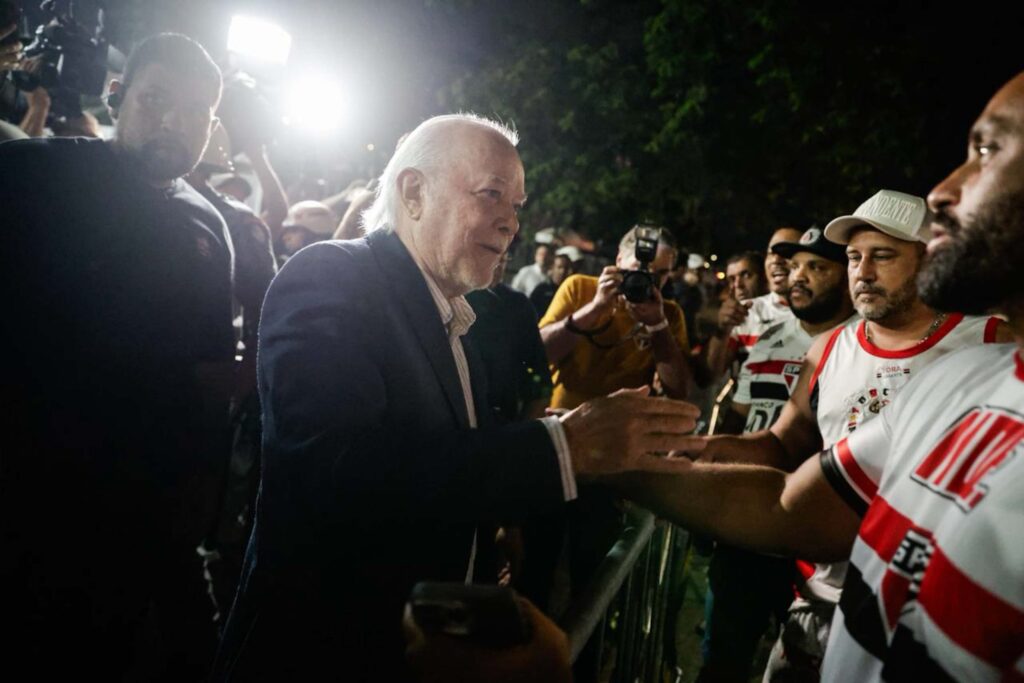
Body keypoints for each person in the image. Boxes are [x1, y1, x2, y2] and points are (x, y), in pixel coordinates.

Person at [213, 113, 703, 681]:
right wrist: (562, 447)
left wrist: (487, 534)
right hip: (325, 653)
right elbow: (339, 475)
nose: (511, 223)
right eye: (492, 194)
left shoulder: (456, 321)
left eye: (516, 205)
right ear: (414, 192)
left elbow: (444, 457)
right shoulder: (331, 276)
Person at [615, 70, 1024, 681]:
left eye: (882, 256)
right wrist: (669, 453)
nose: (862, 272)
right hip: (817, 606)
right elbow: (785, 465)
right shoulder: (878, 360)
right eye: (854, 256)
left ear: (927, 254)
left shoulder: (986, 344)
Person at [0, 33, 232, 679]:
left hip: (141, 521)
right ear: (116, 95)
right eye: (156, 99)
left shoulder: (210, 225)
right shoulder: (30, 175)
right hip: (25, 506)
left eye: (195, 110)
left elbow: (207, 370)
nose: (173, 121)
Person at [699, 228, 855, 683]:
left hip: (811, 544)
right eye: (796, 265)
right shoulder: (768, 337)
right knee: (722, 662)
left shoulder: (861, 348)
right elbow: (740, 419)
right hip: (745, 530)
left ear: (847, 278)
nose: (798, 276)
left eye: (817, 267)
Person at [705, 228, 803, 379]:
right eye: (770, 253)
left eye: (786, 251)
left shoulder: (830, 314)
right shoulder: (746, 312)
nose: (776, 260)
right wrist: (722, 331)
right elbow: (708, 377)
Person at [529, 251, 574, 317]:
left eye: (566, 268)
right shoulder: (542, 289)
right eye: (559, 267)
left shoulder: (571, 291)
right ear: (552, 268)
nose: (562, 271)